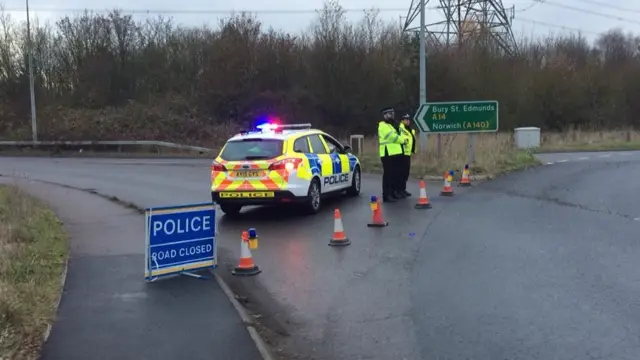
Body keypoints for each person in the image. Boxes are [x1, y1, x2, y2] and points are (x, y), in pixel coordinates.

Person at [378, 107, 408, 202]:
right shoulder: (382, 125)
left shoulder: (393, 125)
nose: (392, 115)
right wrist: (402, 140)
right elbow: (391, 137)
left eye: (393, 113)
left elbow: (401, 134)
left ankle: (393, 192)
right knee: (388, 175)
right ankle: (387, 195)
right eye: (390, 114)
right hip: (387, 153)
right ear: (385, 115)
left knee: (395, 174)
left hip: (396, 153)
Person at [398, 113, 417, 197]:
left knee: (406, 173)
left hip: (407, 153)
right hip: (401, 153)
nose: (408, 121)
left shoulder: (410, 129)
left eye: (408, 119)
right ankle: (399, 190)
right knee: (401, 173)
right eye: (406, 119)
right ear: (402, 121)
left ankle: (403, 189)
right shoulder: (400, 129)